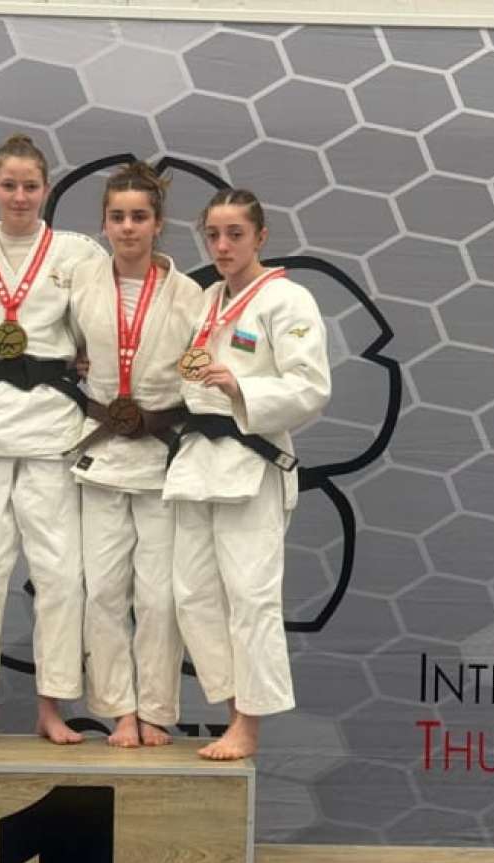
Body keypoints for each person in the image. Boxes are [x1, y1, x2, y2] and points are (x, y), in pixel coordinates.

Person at [0, 135, 105, 744]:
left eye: (31, 186)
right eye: (9, 185)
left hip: (54, 423)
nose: (21, 196)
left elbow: (108, 319)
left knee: (59, 575)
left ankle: (51, 706)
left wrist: (92, 357)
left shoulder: (78, 252)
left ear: (46, 188)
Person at [163, 188, 331, 761]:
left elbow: (311, 387)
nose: (222, 245)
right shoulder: (208, 299)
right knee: (192, 596)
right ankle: (232, 706)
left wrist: (241, 387)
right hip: (197, 462)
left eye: (235, 234)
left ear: (261, 236)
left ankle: (249, 724)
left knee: (251, 598)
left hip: (252, 462)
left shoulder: (287, 299)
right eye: (212, 235)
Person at [68, 162, 205, 747]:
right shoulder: (80, 282)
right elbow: (56, 341)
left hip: (161, 456)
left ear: (158, 224)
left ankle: (154, 709)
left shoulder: (189, 295)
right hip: (101, 452)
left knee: (159, 597)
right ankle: (117, 709)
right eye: (118, 217)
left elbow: (203, 367)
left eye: (139, 217)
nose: (128, 227)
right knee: (102, 590)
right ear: (103, 223)